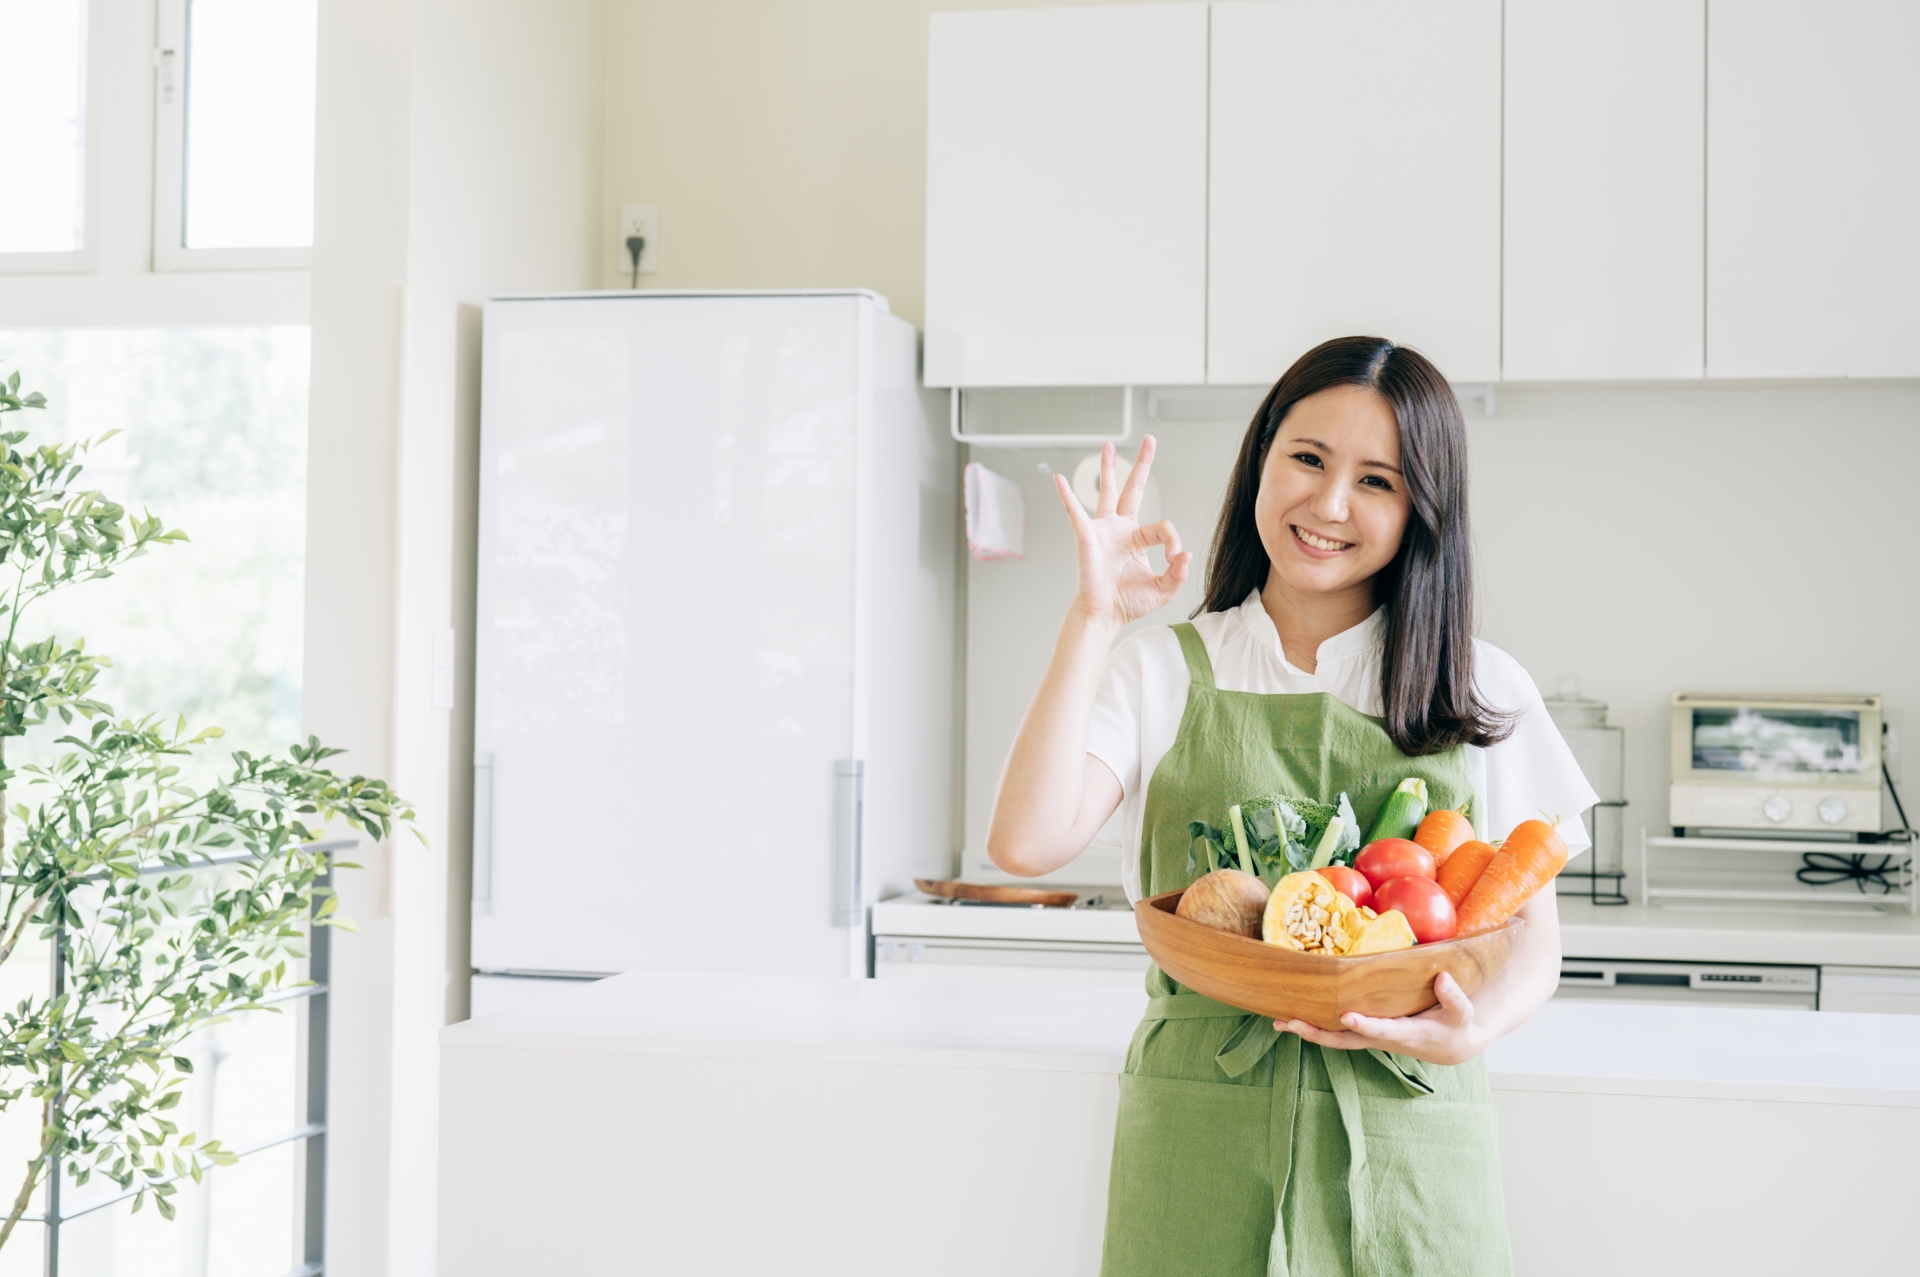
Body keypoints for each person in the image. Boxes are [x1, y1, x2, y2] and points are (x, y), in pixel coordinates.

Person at [985, 336, 1598, 1276]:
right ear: (1260, 459)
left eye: (1378, 481)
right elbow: (1025, 842)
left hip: (1411, 1129)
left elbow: (1534, 945)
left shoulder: (1478, 685)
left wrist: (1476, 1025)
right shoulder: (1160, 668)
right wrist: (1094, 618)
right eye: (1307, 458)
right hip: (1201, 1125)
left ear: (1423, 510)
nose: (1329, 504)